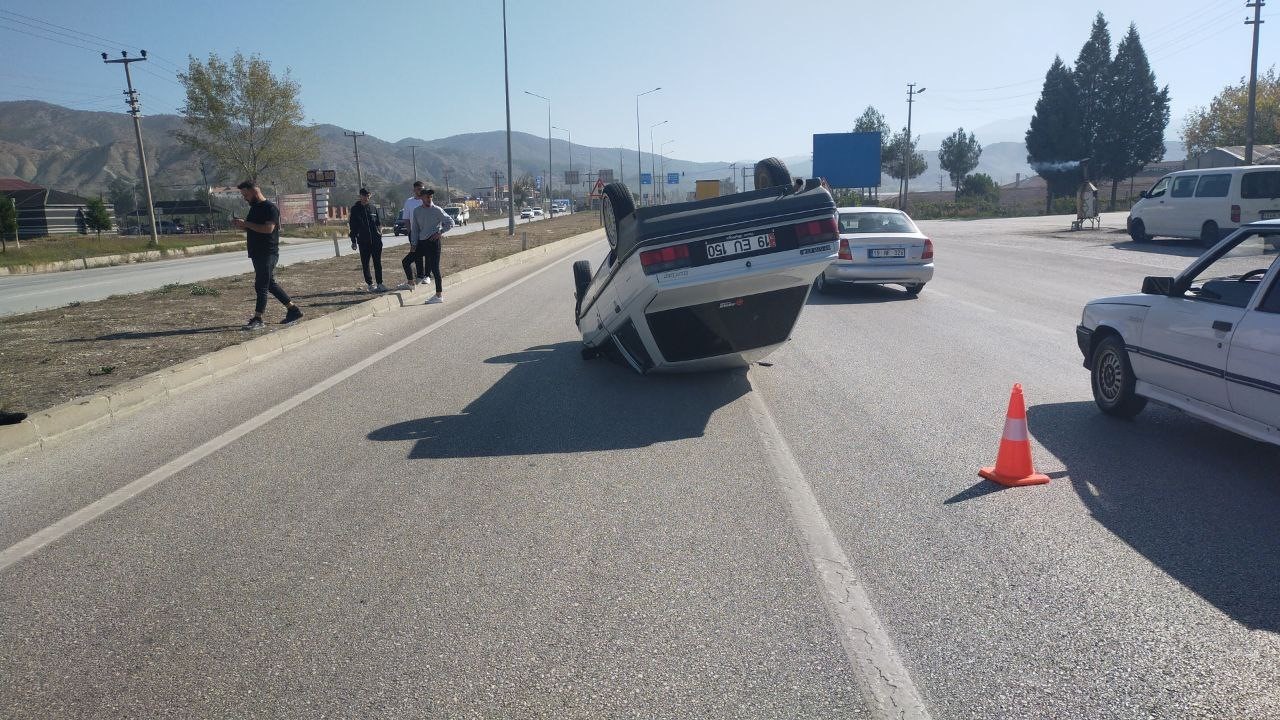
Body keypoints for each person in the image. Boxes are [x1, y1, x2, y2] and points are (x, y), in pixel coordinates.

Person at [233, 180, 302, 330]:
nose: (244, 198)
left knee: (261, 285)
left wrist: (246, 224)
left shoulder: (270, 208)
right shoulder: (254, 208)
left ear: (254, 192)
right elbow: (253, 228)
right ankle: (293, 310)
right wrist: (242, 225)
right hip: (257, 253)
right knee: (269, 284)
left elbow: (268, 229)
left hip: (268, 252)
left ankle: (258, 319)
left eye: (246, 195)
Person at [400, 188, 453, 303]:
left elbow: (450, 222)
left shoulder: (437, 210)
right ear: (421, 198)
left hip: (433, 243)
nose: (429, 199)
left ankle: (438, 296)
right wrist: (413, 243)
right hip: (421, 243)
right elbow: (415, 229)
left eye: (431, 197)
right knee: (406, 262)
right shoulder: (417, 211)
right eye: (427, 197)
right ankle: (410, 283)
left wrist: (440, 233)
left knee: (435, 269)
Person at [349, 188, 385, 292]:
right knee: (365, 264)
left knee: (377, 263)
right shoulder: (355, 209)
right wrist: (353, 241)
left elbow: (378, 222)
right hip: (363, 242)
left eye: (368, 196)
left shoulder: (373, 208)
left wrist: (380, 232)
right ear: (360, 196)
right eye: (364, 196)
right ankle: (370, 284)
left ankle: (380, 283)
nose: (366, 198)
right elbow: (353, 227)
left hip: (376, 241)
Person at [401, 181, 426, 284]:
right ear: (414, 190)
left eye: (422, 189)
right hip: (414, 233)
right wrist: (410, 232)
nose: (420, 191)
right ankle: (420, 276)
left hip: (425, 232)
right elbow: (406, 218)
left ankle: (426, 275)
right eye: (418, 189)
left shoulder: (426, 200)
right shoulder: (409, 202)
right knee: (416, 254)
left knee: (427, 254)